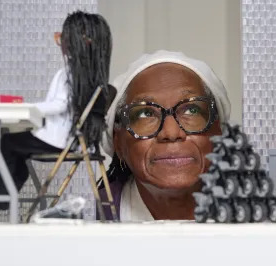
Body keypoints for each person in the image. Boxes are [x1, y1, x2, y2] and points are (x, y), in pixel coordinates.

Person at [0, 10, 115, 222]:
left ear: (81, 41)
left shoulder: (71, 72)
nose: (59, 41)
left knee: (7, 143)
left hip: (59, 140)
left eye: (62, 37)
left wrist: (26, 108)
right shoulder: (90, 75)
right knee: (16, 151)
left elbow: (59, 105)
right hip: (74, 141)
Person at [99, 50, 231, 221]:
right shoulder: (86, 217)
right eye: (146, 114)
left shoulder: (257, 218)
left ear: (218, 131)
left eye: (192, 110)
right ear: (119, 143)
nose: (171, 132)